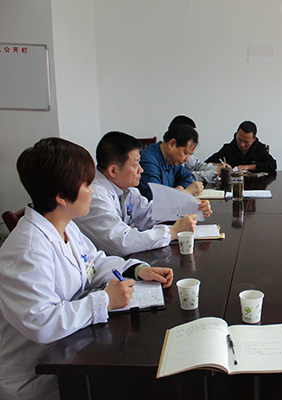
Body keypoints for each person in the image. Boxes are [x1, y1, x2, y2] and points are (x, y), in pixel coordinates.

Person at [0, 138, 174, 400]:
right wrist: (104, 301)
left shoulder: (65, 225)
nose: (92, 191)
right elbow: (41, 323)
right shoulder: (27, 251)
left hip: (71, 352)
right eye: (86, 184)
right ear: (61, 196)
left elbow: (93, 262)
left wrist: (136, 269)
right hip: (39, 376)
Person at [74, 131, 212, 257]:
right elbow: (122, 242)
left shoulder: (127, 189)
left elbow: (149, 213)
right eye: (135, 165)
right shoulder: (95, 197)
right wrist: (172, 232)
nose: (141, 169)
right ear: (113, 171)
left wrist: (192, 207)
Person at [138, 124, 204, 200]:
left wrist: (180, 188)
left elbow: (189, 177)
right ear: (172, 144)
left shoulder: (172, 160)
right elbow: (157, 197)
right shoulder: (148, 162)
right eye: (185, 153)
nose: (187, 159)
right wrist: (186, 192)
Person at [205, 121, 277, 172]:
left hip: (255, 185)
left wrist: (249, 167)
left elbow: (272, 165)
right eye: (239, 139)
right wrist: (220, 165)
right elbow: (206, 164)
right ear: (236, 134)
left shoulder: (259, 148)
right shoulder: (228, 149)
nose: (242, 144)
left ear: (254, 139)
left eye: (246, 142)